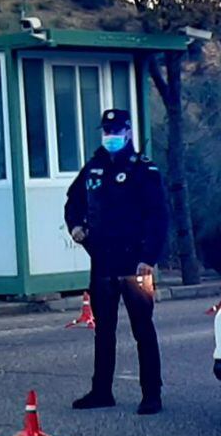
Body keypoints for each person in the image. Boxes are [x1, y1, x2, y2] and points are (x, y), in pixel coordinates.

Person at [64, 109, 170, 415]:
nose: (110, 137)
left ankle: (152, 393)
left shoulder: (143, 170)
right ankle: (101, 391)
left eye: (116, 131)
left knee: (142, 328)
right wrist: (75, 225)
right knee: (103, 328)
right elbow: (73, 201)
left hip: (134, 260)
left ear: (127, 133)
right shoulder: (94, 167)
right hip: (102, 259)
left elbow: (157, 216)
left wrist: (149, 258)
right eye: (106, 131)